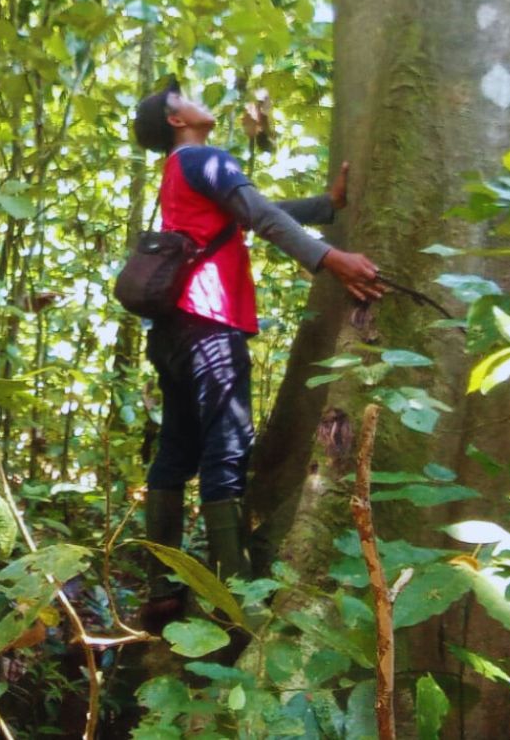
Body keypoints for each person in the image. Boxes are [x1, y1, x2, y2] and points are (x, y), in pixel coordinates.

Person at [132, 77, 381, 632]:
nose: (196, 98)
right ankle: (239, 597)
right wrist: (330, 259)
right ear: (177, 119)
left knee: (176, 451)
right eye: (183, 98)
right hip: (209, 322)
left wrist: (327, 205)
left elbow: (248, 211)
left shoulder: (179, 172)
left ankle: (162, 585)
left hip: (171, 330)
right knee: (227, 446)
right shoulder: (203, 158)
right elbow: (262, 219)